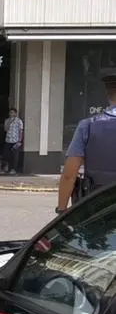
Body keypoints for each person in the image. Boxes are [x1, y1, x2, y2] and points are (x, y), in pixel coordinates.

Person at [57, 68, 116, 213]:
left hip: (97, 203)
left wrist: (62, 210)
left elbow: (69, 175)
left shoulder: (88, 125)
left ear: (107, 94)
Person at [2, 108, 24, 174]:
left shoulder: (19, 121)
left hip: (15, 140)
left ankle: (13, 169)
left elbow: (21, 131)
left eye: (12, 112)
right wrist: (9, 122)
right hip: (8, 140)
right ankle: (8, 167)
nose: (11, 114)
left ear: (15, 113)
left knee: (15, 156)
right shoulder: (7, 120)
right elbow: (5, 129)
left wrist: (20, 140)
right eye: (10, 112)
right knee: (8, 155)